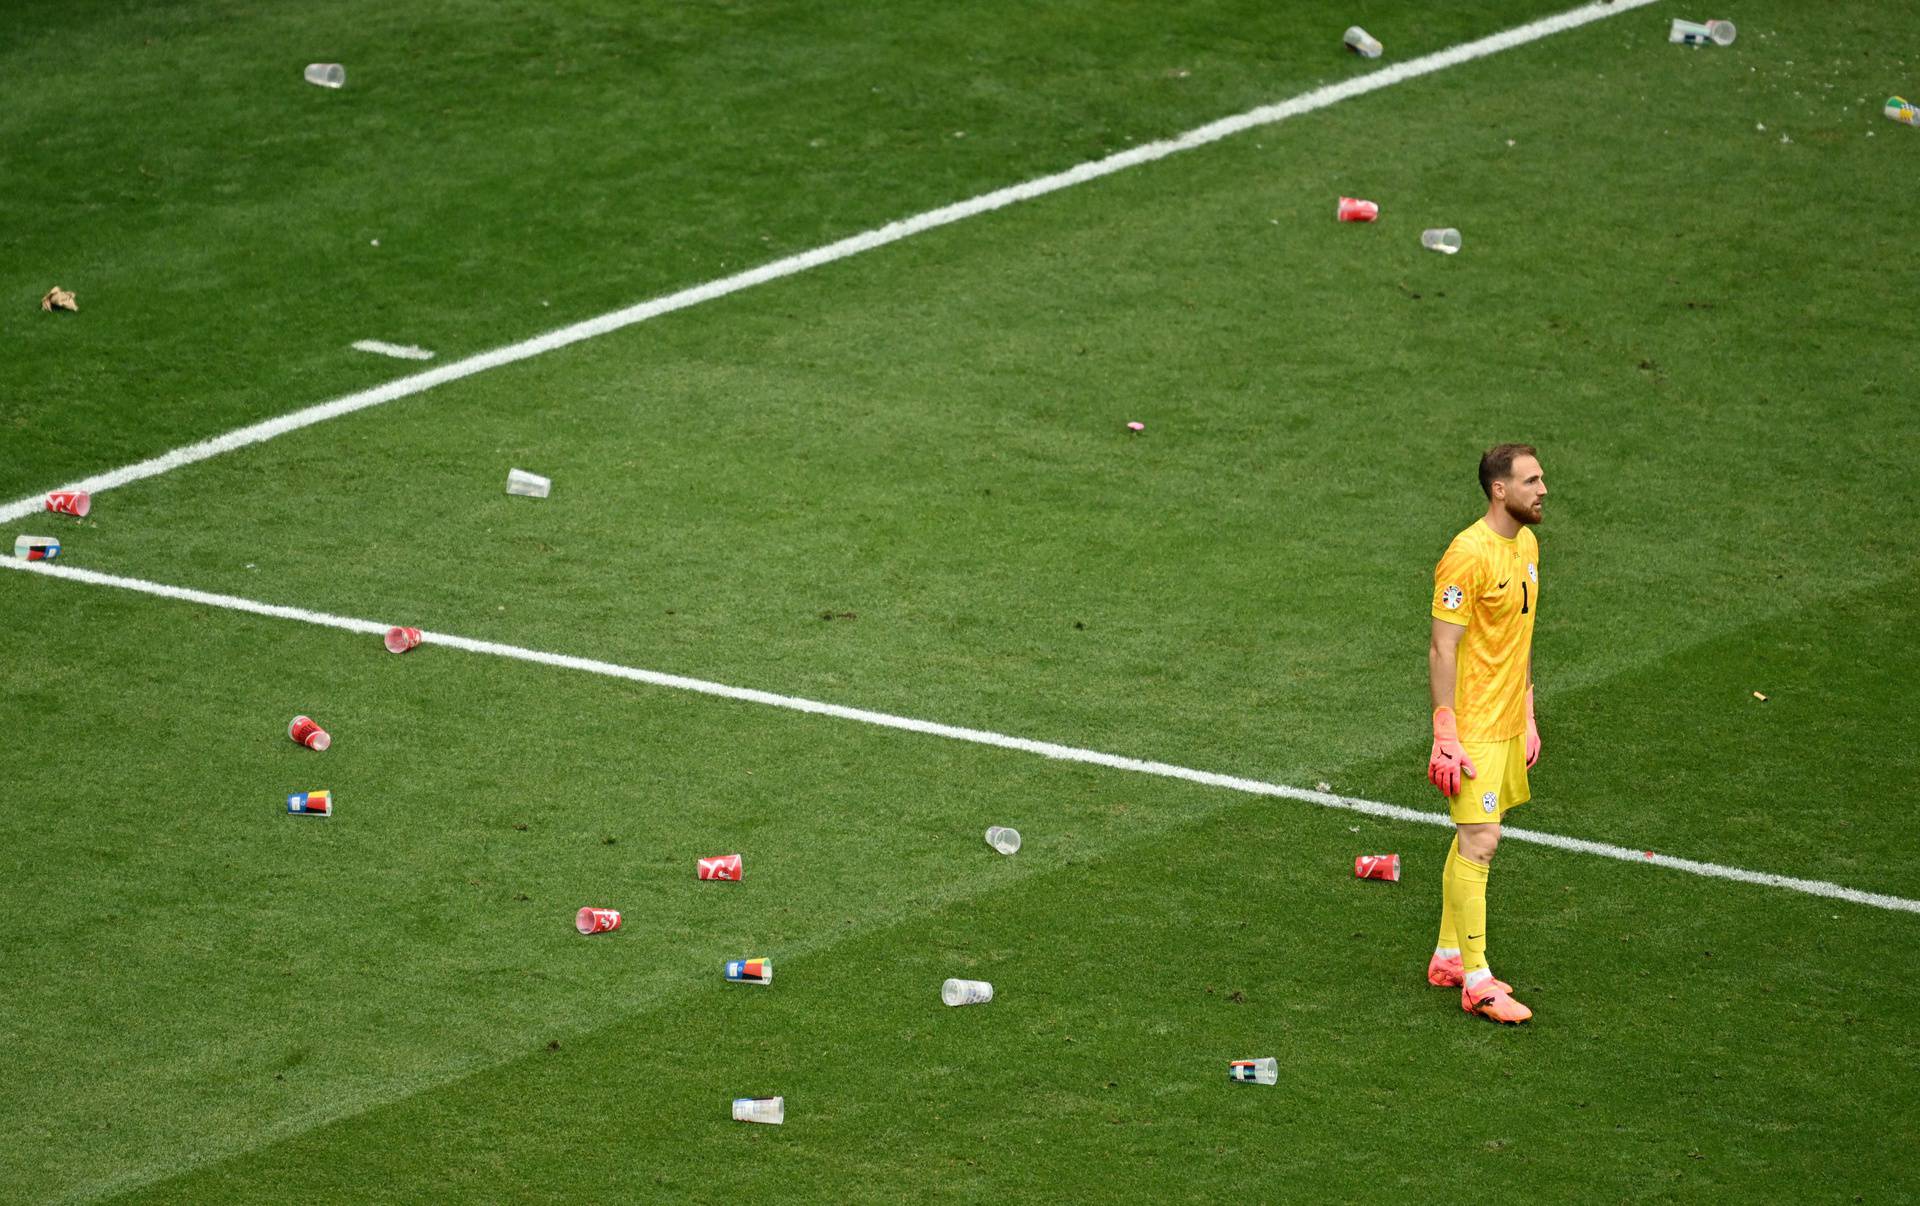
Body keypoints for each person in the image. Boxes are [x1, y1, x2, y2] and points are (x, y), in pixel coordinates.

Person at [1425, 444, 1546, 1024]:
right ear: (1500, 489)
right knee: (1482, 842)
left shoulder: (1527, 545)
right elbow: (1441, 646)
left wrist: (1527, 713)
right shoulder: (1466, 555)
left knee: (1473, 838)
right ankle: (1477, 979)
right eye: (1531, 480)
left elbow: (1521, 638)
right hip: (1470, 725)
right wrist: (1444, 730)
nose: (1543, 489)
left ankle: (1449, 954)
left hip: (1504, 723)